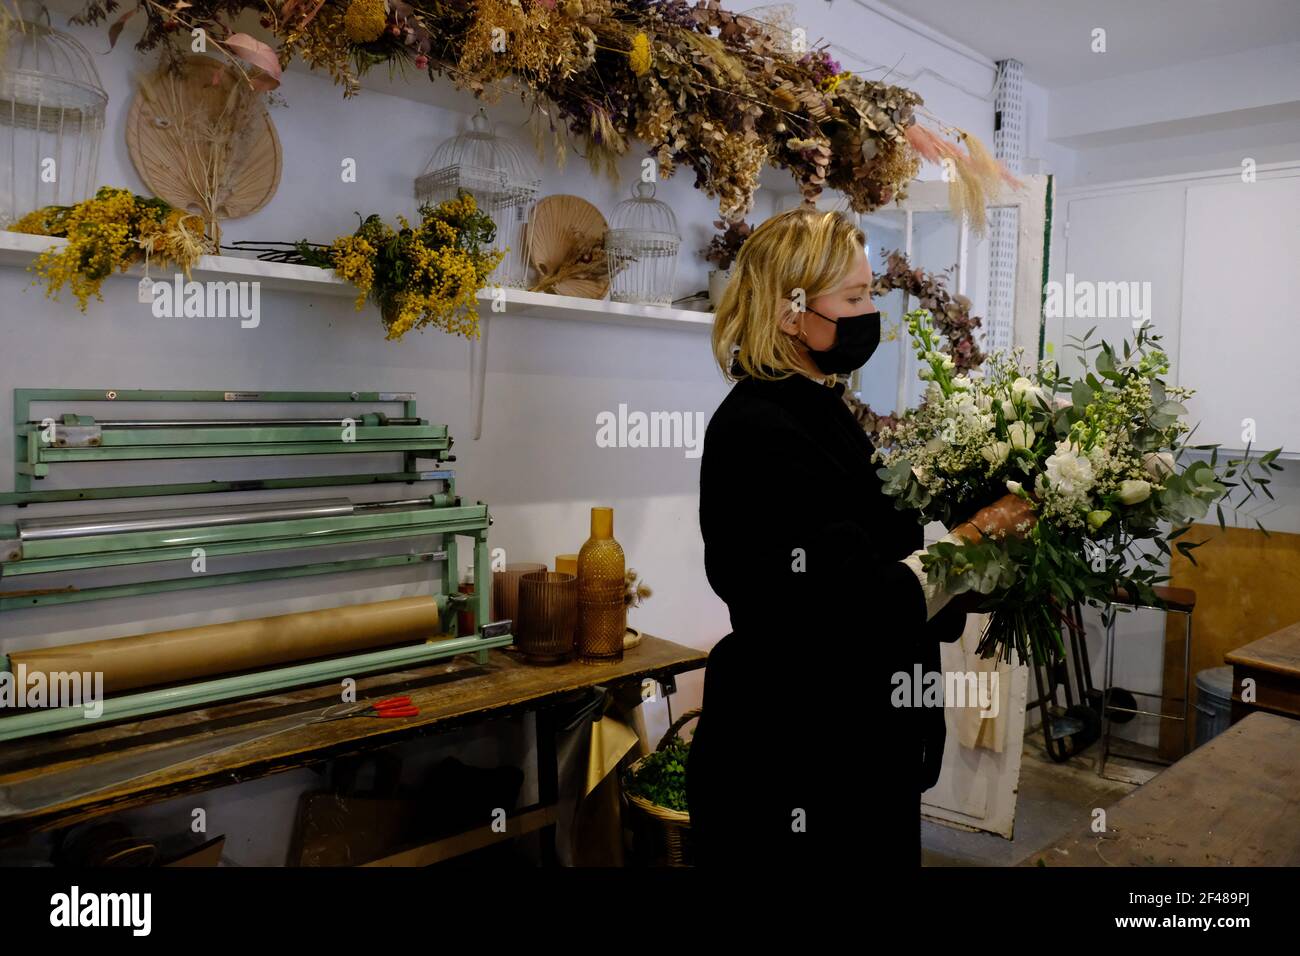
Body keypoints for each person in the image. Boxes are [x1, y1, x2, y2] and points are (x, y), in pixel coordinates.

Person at [687, 206, 1034, 867]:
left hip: (859, 753)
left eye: (870, 292)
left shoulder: (823, 408)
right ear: (791, 313)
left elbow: (884, 549)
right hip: (799, 762)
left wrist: (979, 577)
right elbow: (847, 600)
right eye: (854, 297)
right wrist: (971, 542)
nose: (871, 311)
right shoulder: (760, 428)